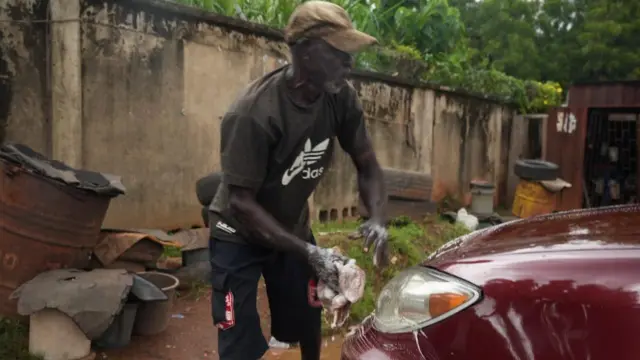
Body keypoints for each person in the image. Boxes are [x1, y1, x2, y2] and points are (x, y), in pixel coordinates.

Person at [207, 1, 389, 359]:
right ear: (305, 50)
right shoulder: (253, 113)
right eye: (338, 52)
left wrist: (379, 219)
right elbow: (241, 203)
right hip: (237, 232)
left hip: (291, 227)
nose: (348, 63)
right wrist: (309, 251)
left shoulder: (340, 99)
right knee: (238, 337)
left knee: (306, 320)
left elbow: (367, 164)